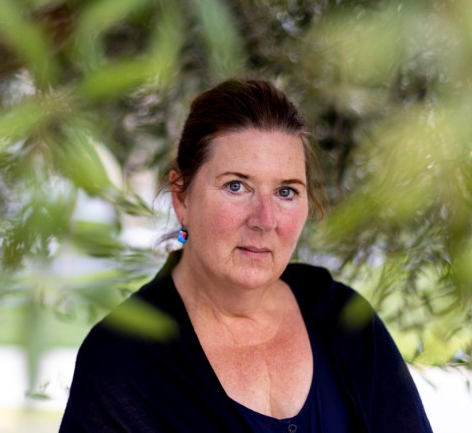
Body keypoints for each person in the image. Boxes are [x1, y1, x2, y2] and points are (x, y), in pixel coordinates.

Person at [59, 79, 432, 432]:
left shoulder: (345, 322)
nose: (265, 220)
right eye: (236, 186)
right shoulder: (122, 361)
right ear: (181, 197)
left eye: (286, 192)